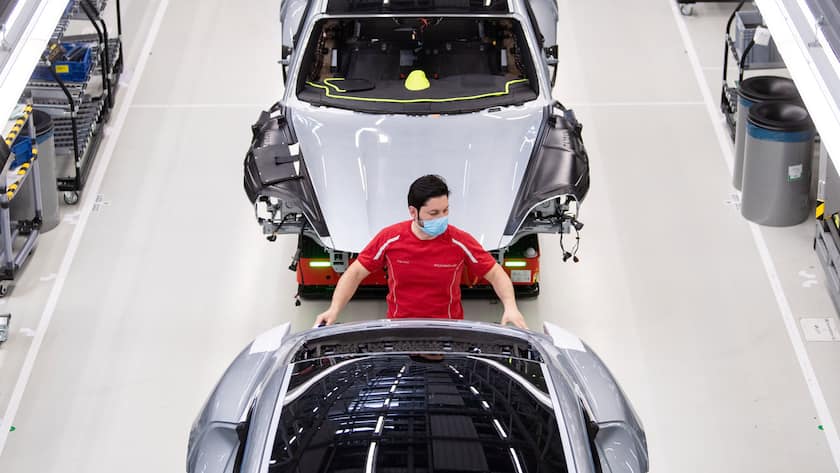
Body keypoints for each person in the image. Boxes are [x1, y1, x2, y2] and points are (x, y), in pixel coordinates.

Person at [314, 174, 528, 328]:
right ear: (413, 212)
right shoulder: (390, 238)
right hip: (400, 327)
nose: (441, 218)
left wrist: (511, 306)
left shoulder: (459, 241)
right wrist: (334, 309)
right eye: (433, 213)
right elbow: (355, 273)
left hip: (447, 329)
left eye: (445, 211)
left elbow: (495, 273)